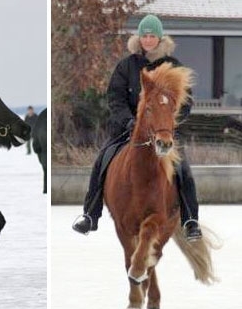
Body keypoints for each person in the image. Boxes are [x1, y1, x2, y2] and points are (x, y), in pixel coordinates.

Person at [71, 14, 202, 242]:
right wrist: (130, 122)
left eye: (152, 36)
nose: (148, 40)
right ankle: (90, 215)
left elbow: (186, 101)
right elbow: (115, 99)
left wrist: (166, 124)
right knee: (102, 160)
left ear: (160, 38)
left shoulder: (173, 66)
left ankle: (190, 221)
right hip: (128, 130)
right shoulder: (126, 65)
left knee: (183, 170)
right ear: (139, 38)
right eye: (144, 36)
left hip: (163, 132)